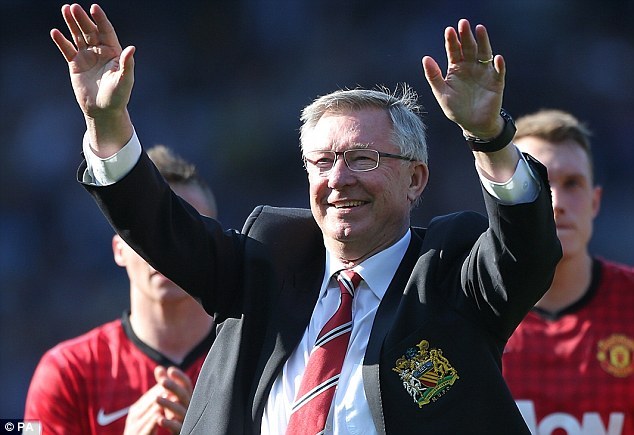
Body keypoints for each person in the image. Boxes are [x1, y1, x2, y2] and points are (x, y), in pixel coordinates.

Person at [50, 4, 561, 434]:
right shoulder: (268, 261)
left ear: (415, 179)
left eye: (362, 158)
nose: (339, 178)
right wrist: (107, 122)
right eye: (322, 162)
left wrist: (489, 137)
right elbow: (159, 225)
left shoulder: (450, 273)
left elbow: (526, 251)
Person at [24, 145, 218, 435]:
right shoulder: (65, 371)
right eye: (147, 232)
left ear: (216, 244)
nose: (167, 249)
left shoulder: (255, 358)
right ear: (119, 250)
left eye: (187, 229)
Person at [501, 109, 634, 435]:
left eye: (572, 184)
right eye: (538, 184)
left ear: (595, 202)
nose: (557, 202)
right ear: (503, 201)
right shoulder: (469, 314)